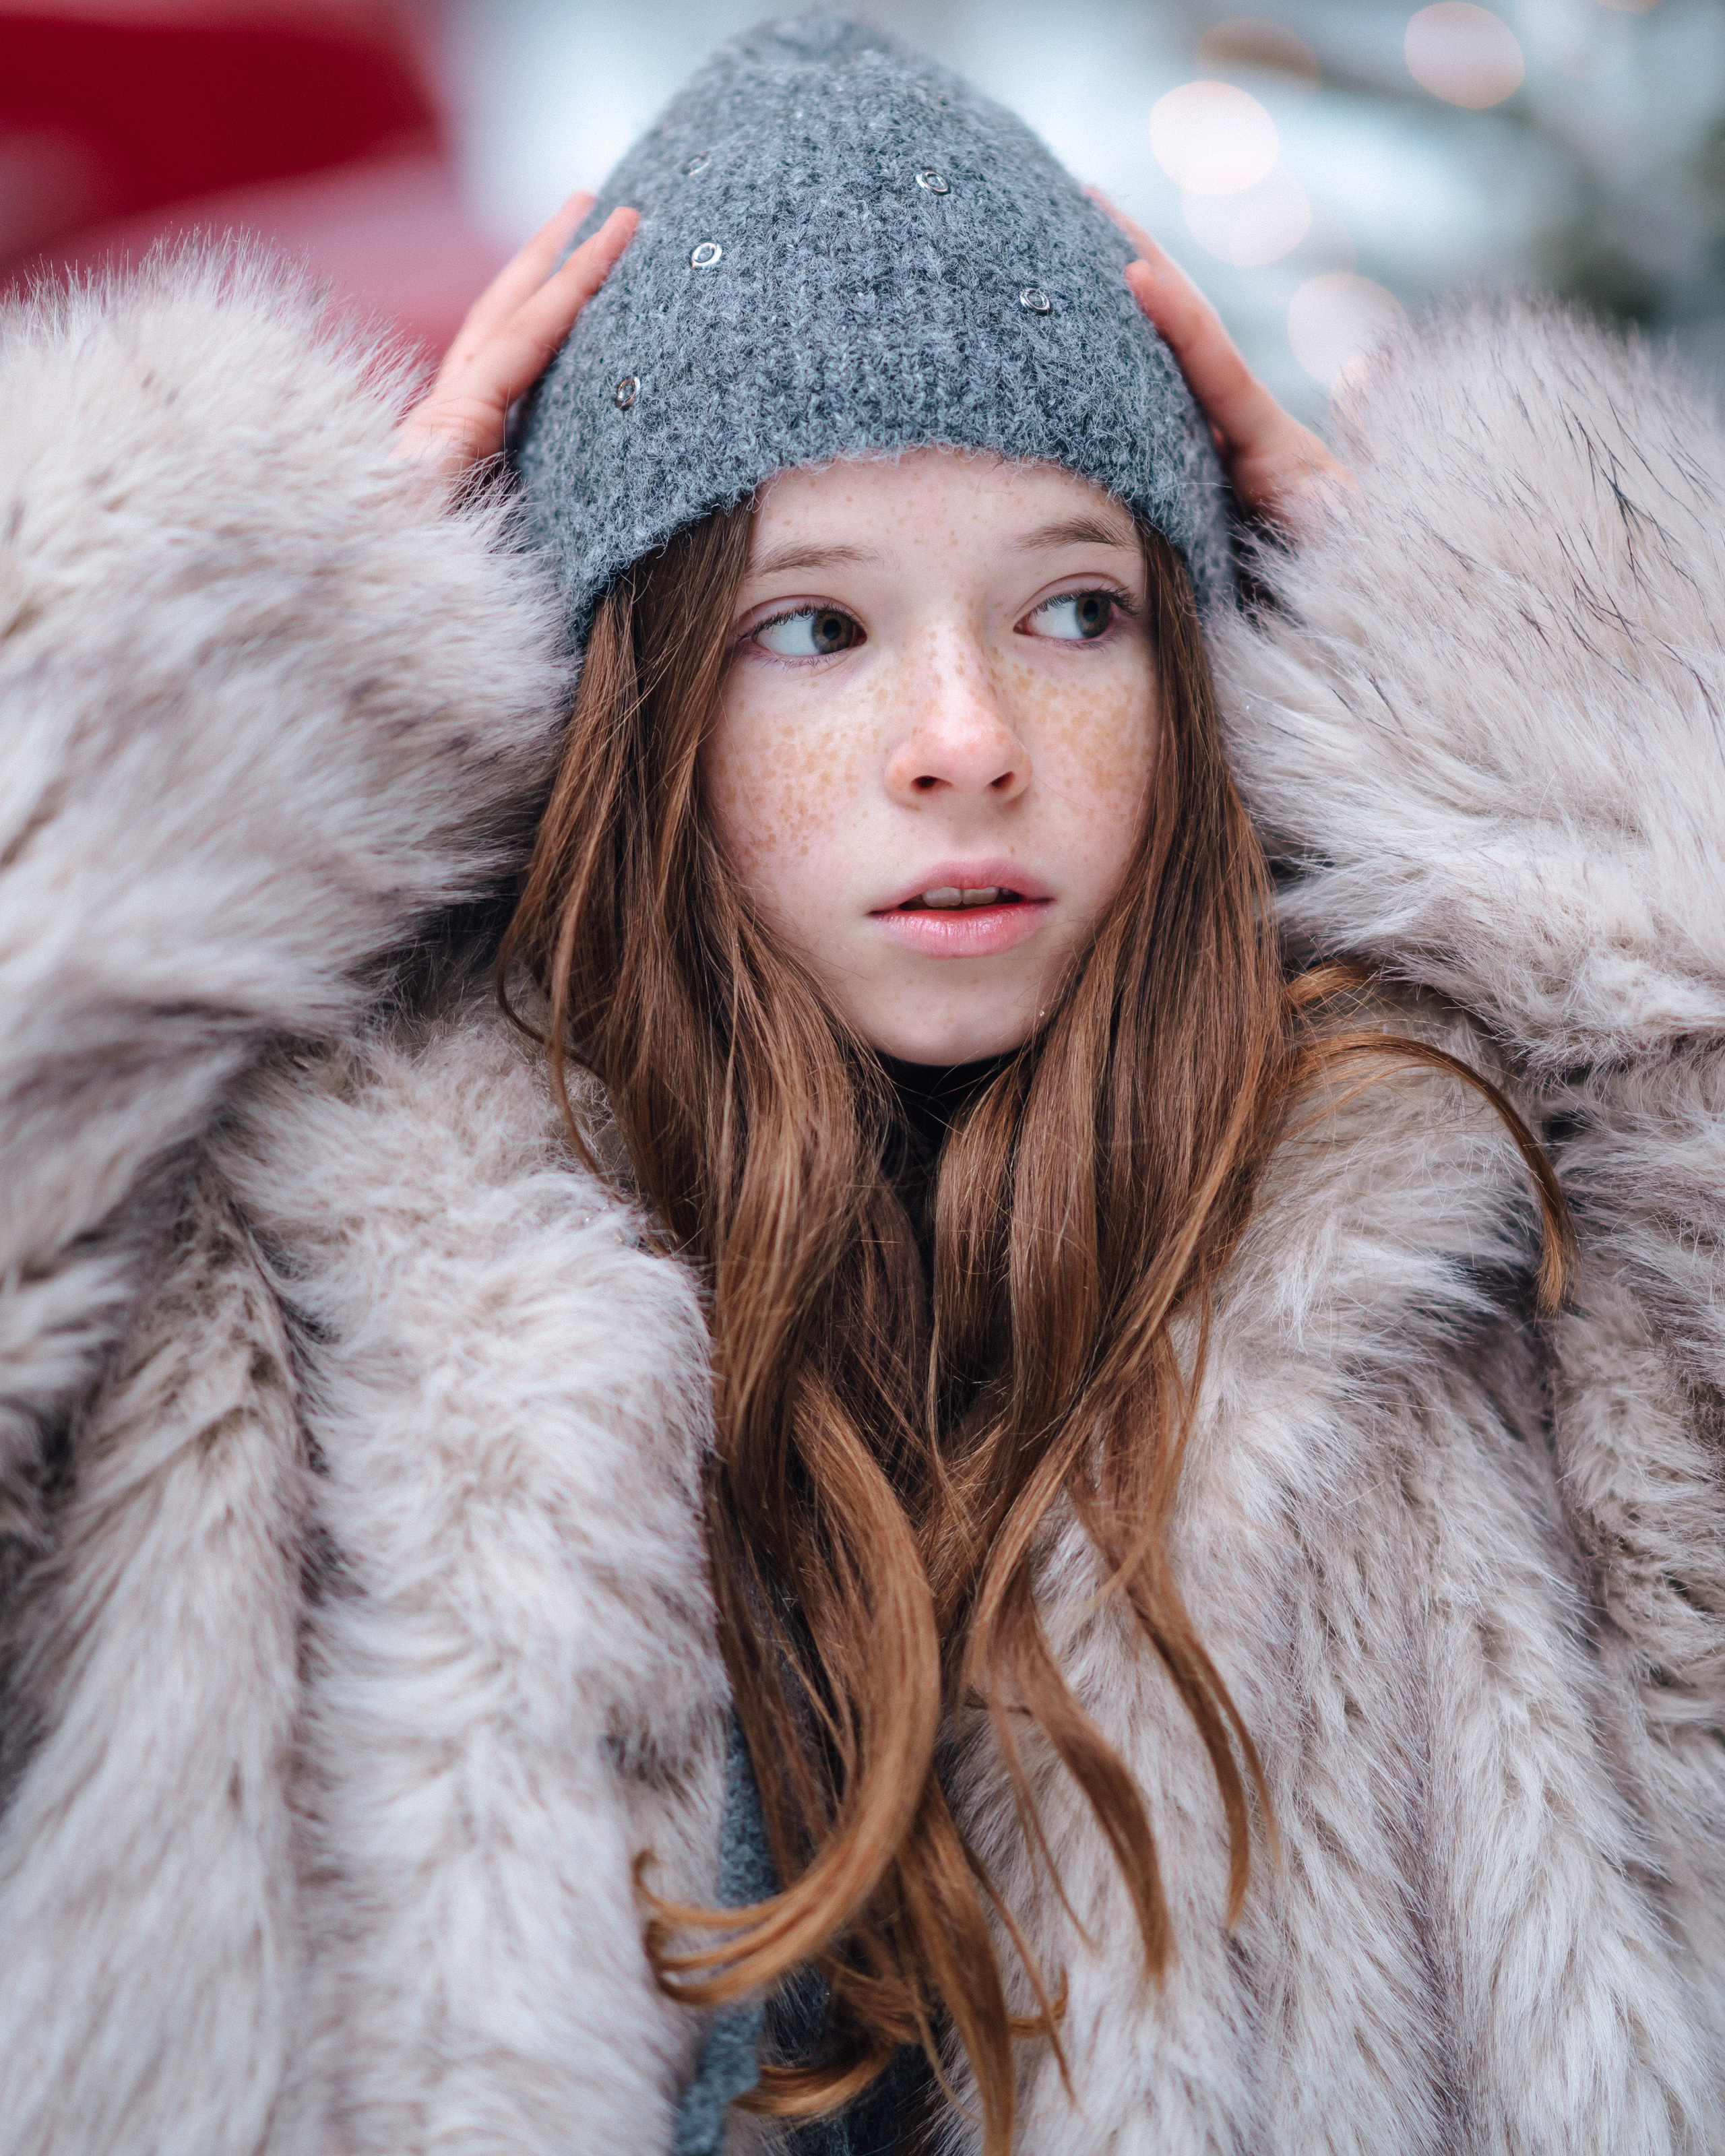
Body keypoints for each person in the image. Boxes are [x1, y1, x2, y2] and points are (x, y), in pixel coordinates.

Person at [1, 13, 1721, 2154]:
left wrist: (1527, 658)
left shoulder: (1475, 1282)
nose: (967, 739)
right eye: (814, 630)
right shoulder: (279, 1307)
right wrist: (227, 653)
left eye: (1075, 611)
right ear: (636, 704)